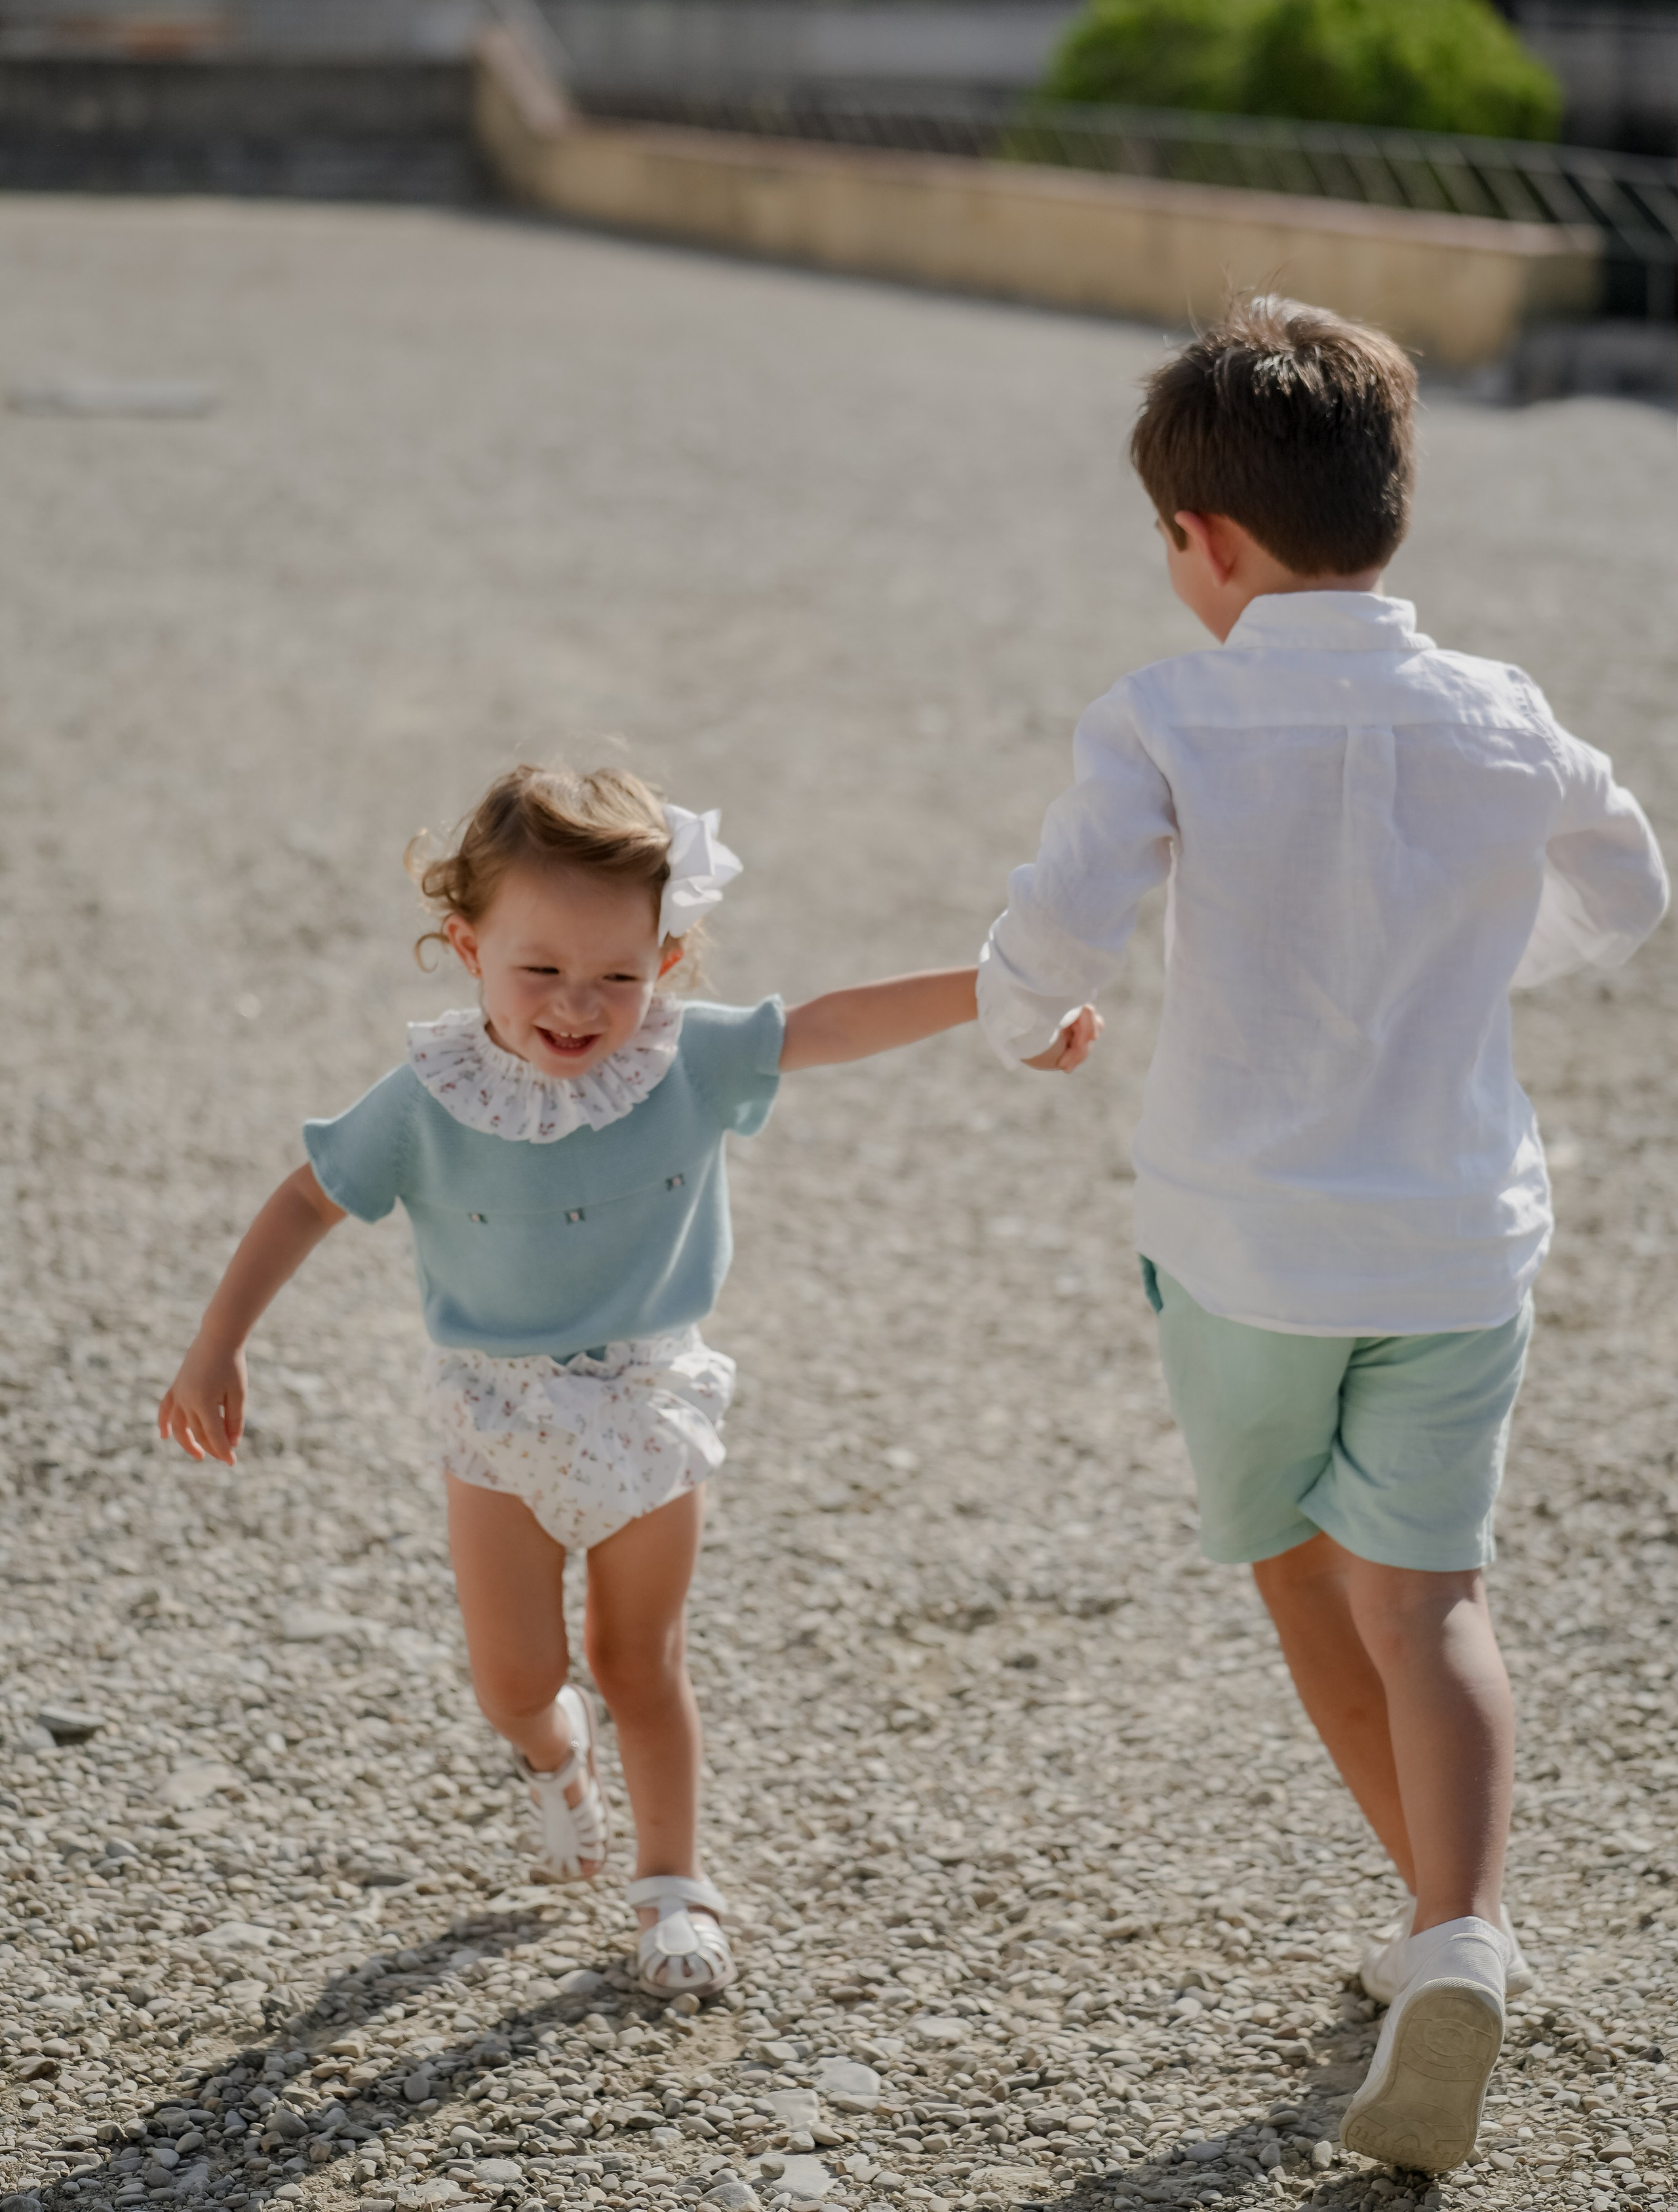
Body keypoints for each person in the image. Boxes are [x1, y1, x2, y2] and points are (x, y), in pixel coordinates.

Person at [975, 298, 1668, 2176]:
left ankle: (1454, 1938)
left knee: (1295, 1562)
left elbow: (1063, 921)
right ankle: (1454, 1932)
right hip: (1456, 1243)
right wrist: (1472, 961)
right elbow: (1631, 880)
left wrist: (1023, 1020)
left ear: (1201, 539)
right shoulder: (1501, 707)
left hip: (1249, 1247)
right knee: (1433, 1590)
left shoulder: (1170, 710)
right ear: (1392, 504)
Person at [160, 764, 1092, 2000]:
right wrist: (217, 1341)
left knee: (638, 1654)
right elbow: (306, 1198)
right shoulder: (432, 1098)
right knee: (515, 1679)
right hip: (496, 1415)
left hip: (647, 1398)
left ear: (668, 956)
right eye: (539, 970)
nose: (578, 1006)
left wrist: (999, 994)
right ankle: (556, 1760)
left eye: (620, 973)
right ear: (465, 946)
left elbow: (829, 1022)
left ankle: (673, 1888)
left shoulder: (685, 1061)